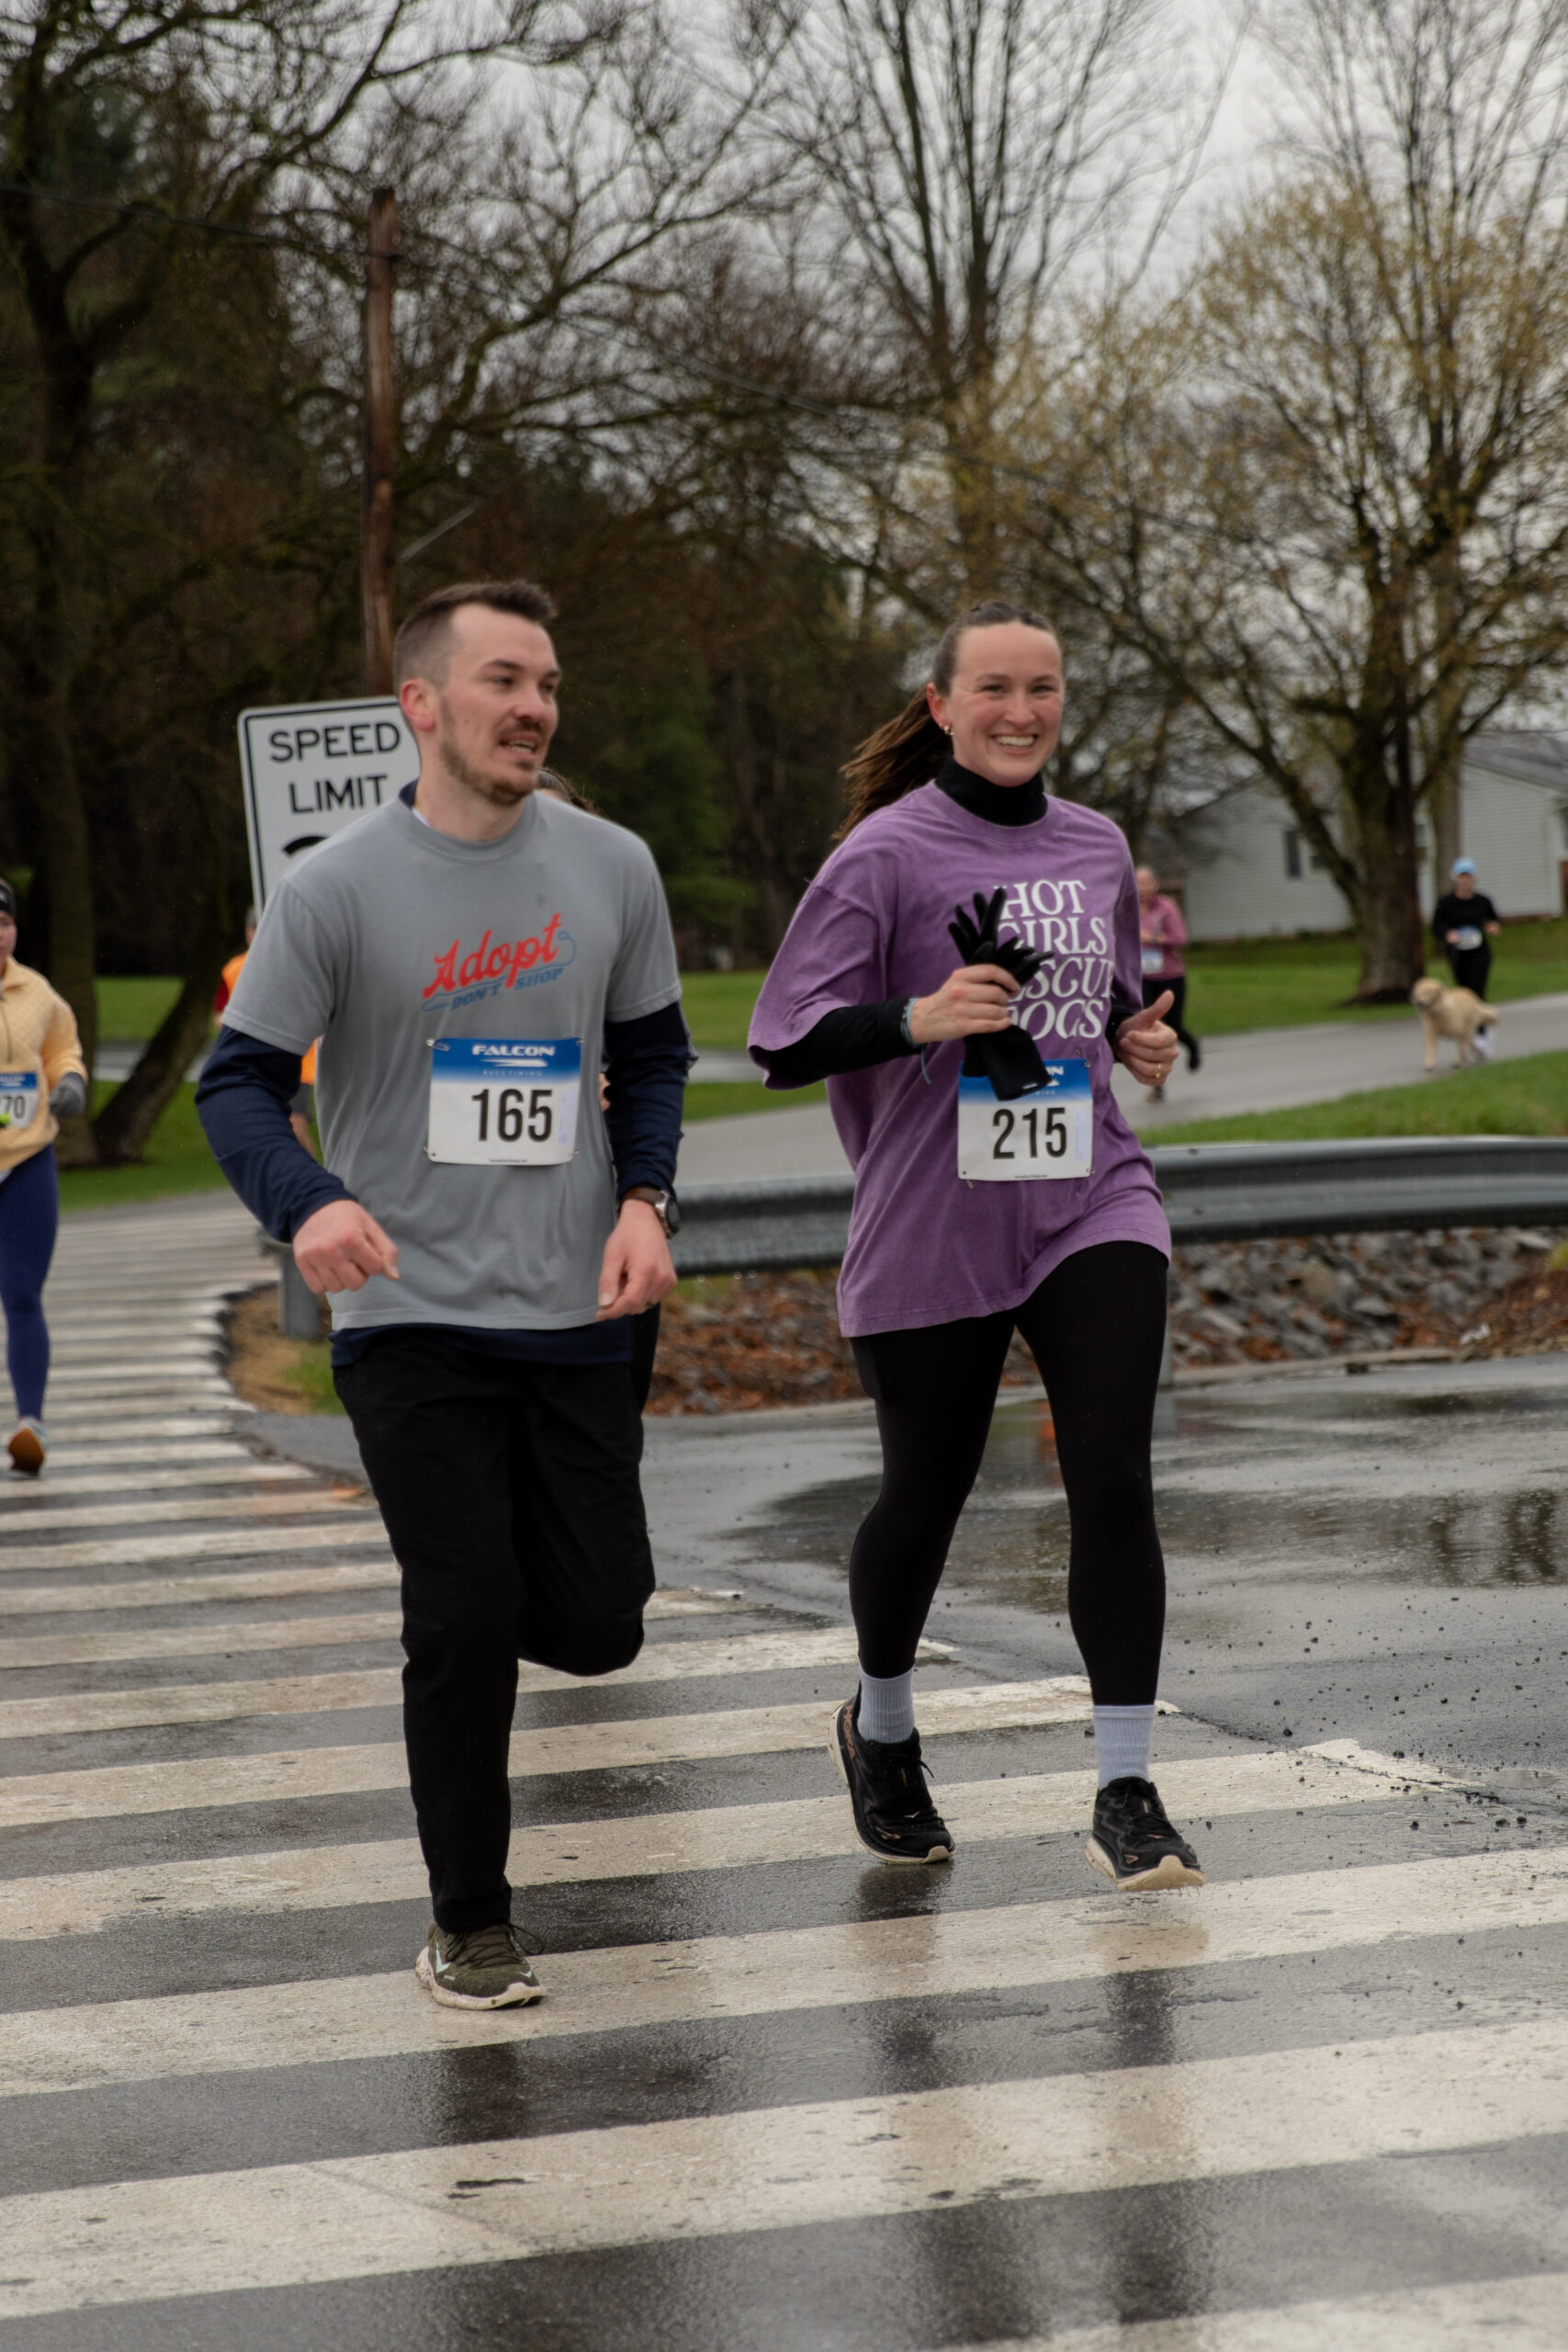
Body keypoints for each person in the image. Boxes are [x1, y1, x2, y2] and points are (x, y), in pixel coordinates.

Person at [197, 580, 691, 2009]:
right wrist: (310, 1201)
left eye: (547, 684)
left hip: (581, 1309)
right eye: (502, 681)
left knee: (597, 1625)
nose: (534, 707)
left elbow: (653, 1057)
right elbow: (236, 1085)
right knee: (462, 1617)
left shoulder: (612, 866)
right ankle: (468, 1921)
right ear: (420, 703)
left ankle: (482, 1598)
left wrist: (646, 1201)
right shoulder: (335, 888)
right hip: (409, 1315)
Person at [749, 598, 1203, 1894]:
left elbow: (1103, 1005)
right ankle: (882, 1728)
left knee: (1110, 1479)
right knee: (925, 1495)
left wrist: (1137, 1039)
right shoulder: (882, 855)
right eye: (993, 689)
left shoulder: (1096, 844)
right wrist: (917, 1016)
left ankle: (1126, 1788)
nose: (1019, 711)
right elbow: (782, 1039)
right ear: (941, 705)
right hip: (932, 1216)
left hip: (1088, 1198)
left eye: (1041, 688)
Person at [0, 879, 89, 1476]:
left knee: (23, 1293)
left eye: (4, 924)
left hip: (28, 1159)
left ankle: (30, 1425)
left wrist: (71, 1081)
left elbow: (61, 1049)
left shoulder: (37, 992)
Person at [215, 911, 316, 1149]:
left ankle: (310, 1172)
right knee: (264, 1130)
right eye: (254, 928)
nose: (259, 934)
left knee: (294, 1128)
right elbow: (220, 1016)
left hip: (298, 1062)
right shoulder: (233, 969)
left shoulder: (295, 967)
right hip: (254, 1063)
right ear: (247, 933)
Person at [1135, 865, 1200, 1098]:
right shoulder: (1127, 908)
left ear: (1156, 884)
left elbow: (1181, 939)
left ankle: (1193, 1046)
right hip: (1143, 978)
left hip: (1170, 976)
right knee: (1151, 1030)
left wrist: (1152, 938)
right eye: (1138, 883)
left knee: (1174, 1028)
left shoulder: (1166, 907)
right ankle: (1157, 1085)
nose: (1142, 887)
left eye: (1146, 882)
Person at [1431, 858, 1501, 1009]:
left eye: (1468, 877)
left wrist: (1493, 926)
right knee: (1464, 989)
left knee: (1478, 987)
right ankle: (1467, 1018)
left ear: (1474, 878)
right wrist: (1447, 934)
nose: (1465, 881)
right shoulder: (1445, 903)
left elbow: (1493, 919)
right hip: (1457, 951)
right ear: (1455, 878)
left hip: (1479, 951)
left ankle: (1480, 1020)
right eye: (1462, 877)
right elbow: (1436, 927)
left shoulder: (1483, 901)